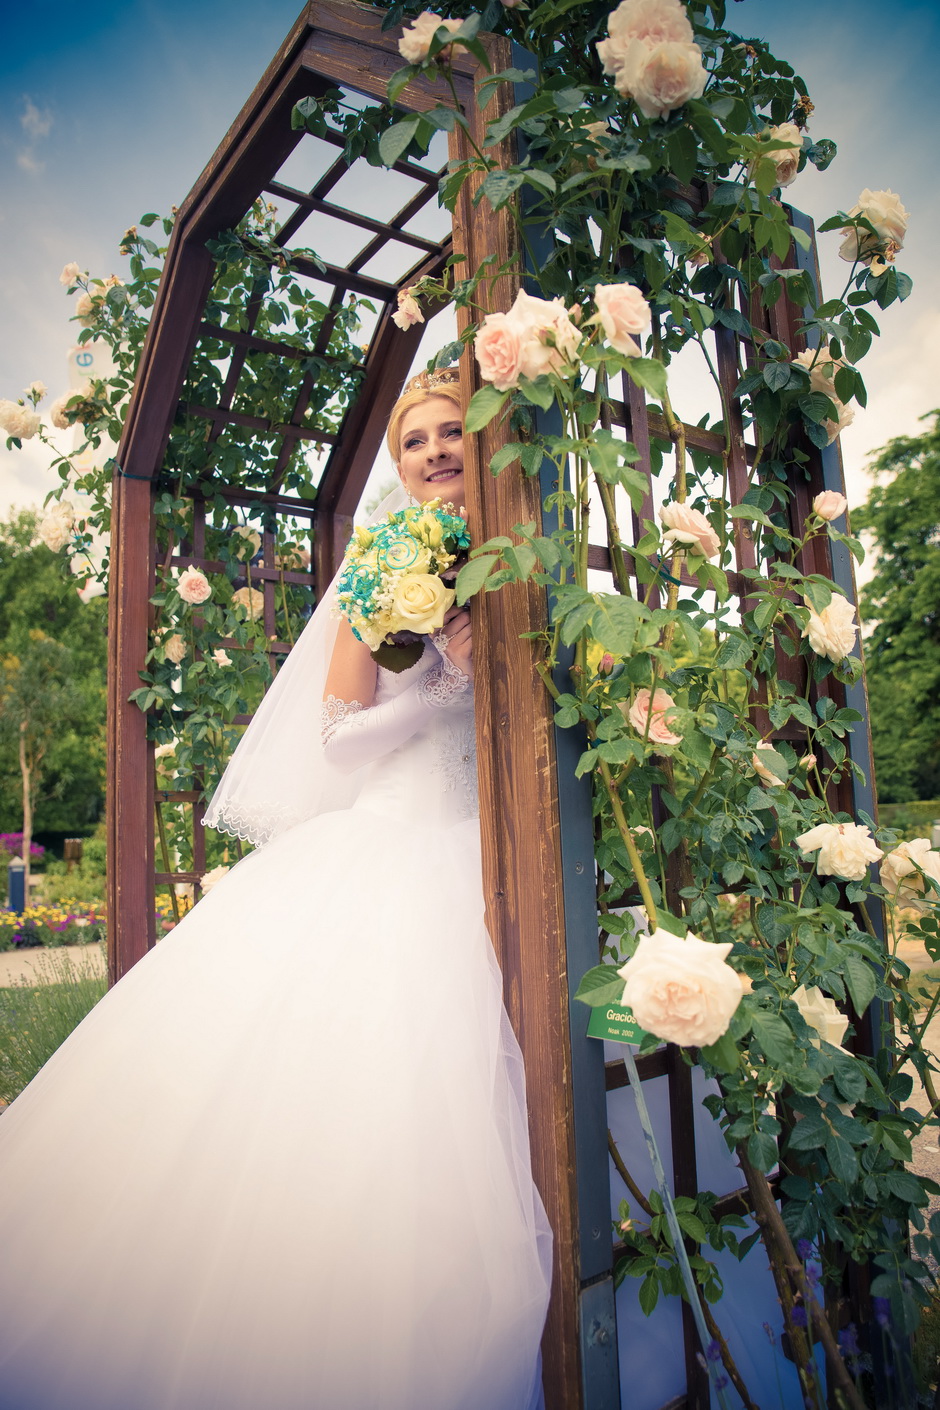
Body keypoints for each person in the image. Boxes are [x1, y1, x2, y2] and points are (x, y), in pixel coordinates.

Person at [0, 369, 552, 1410]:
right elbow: (338, 744)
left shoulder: (522, 569)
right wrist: (445, 689)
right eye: (415, 441)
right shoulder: (383, 569)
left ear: (485, 441)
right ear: (397, 465)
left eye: (451, 433)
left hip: (503, 856)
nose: (435, 451)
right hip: (394, 861)